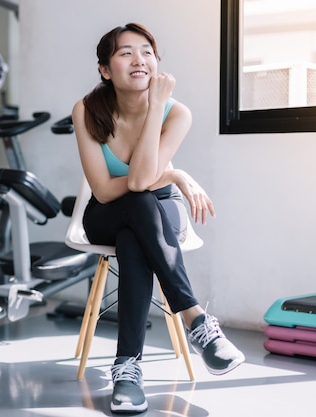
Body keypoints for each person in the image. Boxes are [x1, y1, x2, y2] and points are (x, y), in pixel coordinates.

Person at [71, 23, 245, 414]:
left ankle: (127, 369)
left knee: (137, 232)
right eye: (125, 52)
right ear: (104, 69)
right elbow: (106, 189)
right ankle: (196, 319)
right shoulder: (86, 110)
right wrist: (174, 174)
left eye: (147, 51)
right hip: (106, 211)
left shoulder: (176, 112)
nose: (139, 59)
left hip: (156, 210)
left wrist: (155, 109)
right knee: (137, 204)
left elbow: (139, 180)